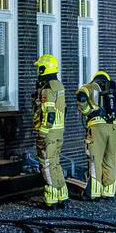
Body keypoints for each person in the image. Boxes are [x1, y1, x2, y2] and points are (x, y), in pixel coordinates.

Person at [76, 70, 116, 200]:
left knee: (95, 159)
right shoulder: (115, 91)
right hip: (114, 129)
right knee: (110, 160)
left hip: (97, 127)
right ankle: (108, 192)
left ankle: (94, 193)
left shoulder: (90, 87)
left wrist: (87, 112)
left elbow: (81, 96)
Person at [31, 54, 68, 209]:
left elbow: (49, 113)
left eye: (39, 67)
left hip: (49, 133)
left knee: (46, 163)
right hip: (59, 132)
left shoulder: (47, 89)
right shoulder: (58, 85)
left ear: (43, 68)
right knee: (55, 163)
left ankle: (51, 199)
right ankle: (62, 195)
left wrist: (43, 133)